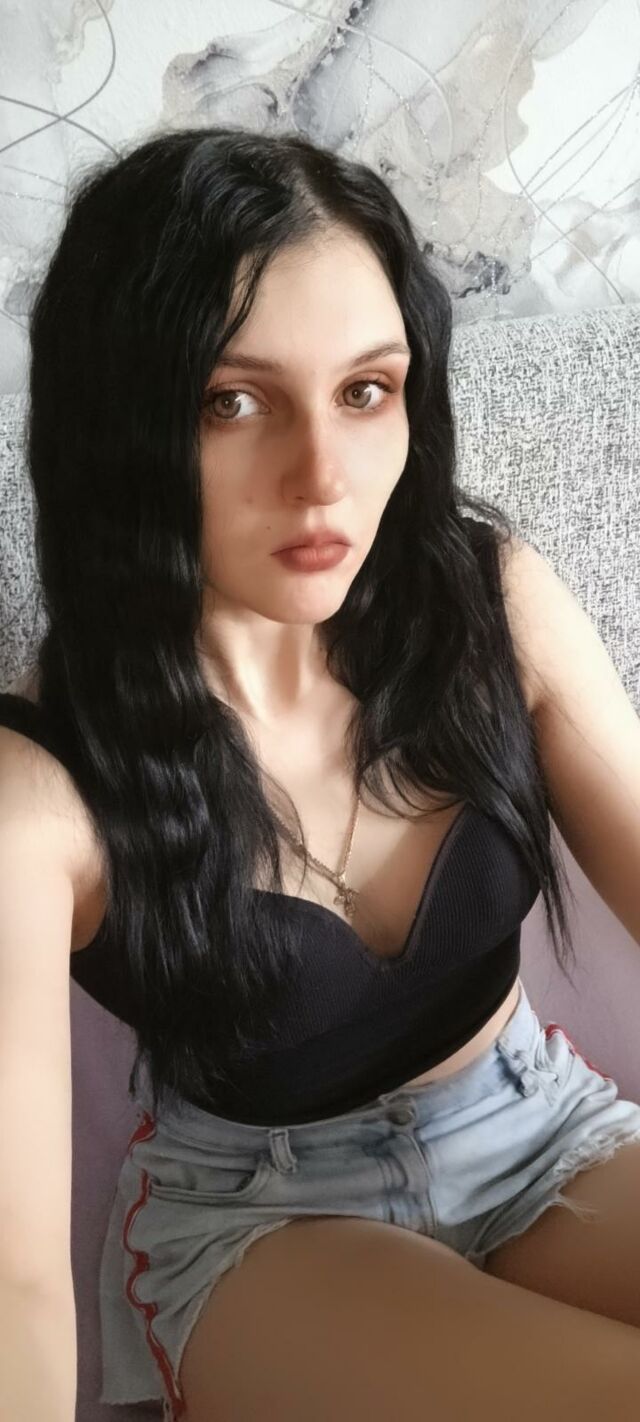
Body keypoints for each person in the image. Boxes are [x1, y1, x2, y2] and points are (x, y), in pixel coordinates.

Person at [1, 125, 640, 1422]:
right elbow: (13, 1282)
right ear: (118, 427)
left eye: (365, 391)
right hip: (265, 1224)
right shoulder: (40, 791)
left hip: (541, 1132)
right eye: (231, 402)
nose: (321, 479)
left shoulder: (495, 605)